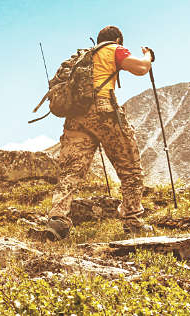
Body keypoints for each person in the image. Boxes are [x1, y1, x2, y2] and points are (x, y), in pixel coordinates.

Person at [40, 25, 154, 240]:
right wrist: (148, 55)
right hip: (104, 112)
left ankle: (57, 220)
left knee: (71, 171)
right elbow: (141, 69)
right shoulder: (114, 49)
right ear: (118, 39)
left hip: (75, 117)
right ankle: (133, 220)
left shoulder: (81, 57)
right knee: (130, 168)